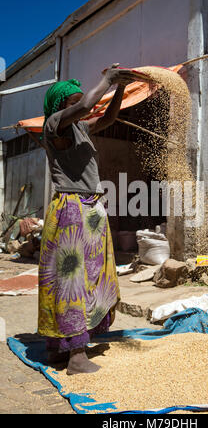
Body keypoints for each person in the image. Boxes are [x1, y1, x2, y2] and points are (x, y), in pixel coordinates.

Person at [38, 64, 151, 375]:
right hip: (73, 209)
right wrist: (107, 79)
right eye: (72, 101)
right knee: (74, 281)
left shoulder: (79, 129)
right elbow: (88, 105)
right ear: (62, 106)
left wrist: (119, 89)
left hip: (88, 208)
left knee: (89, 278)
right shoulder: (55, 124)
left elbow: (109, 117)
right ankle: (75, 357)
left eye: (78, 100)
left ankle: (59, 350)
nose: (80, 106)